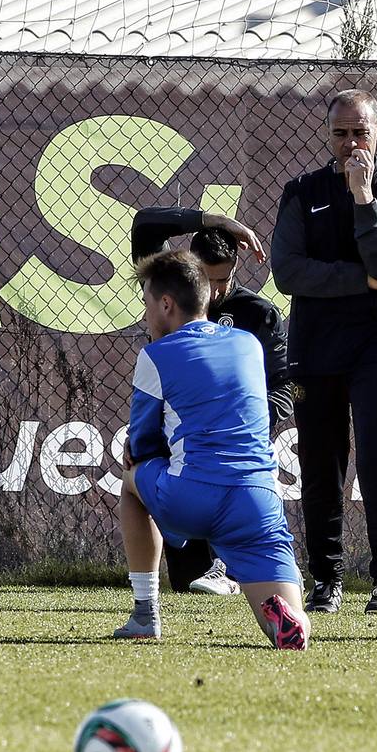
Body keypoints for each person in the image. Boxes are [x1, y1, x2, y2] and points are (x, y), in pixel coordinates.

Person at [270, 88, 377, 616]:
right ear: (328, 135)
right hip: (316, 345)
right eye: (341, 133)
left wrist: (362, 198)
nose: (351, 143)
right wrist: (364, 281)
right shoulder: (302, 191)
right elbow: (288, 272)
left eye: (361, 132)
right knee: (320, 463)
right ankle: (326, 579)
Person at [113, 250, 309, 650]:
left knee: (131, 482)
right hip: (256, 500)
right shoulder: (248, 345)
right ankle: (287, 621)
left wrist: (139, 454)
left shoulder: (155, 354)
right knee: (289, 624)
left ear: (166, 304)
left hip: (193, 494)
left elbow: (144, 443)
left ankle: (145, 613)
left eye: (147, 302)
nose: (146, 313)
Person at [130, 207, 292, 596]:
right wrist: (216, 221)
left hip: (235, 452)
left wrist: (236, 422)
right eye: (207, 278)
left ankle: (154, 604)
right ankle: (258, 595)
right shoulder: (171, 300)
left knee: (137, 479)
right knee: (188, 584)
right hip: (180, 445)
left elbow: (287, 388)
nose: (216, 291)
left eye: (225, 279)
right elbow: (146, 225)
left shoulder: (257, 317)